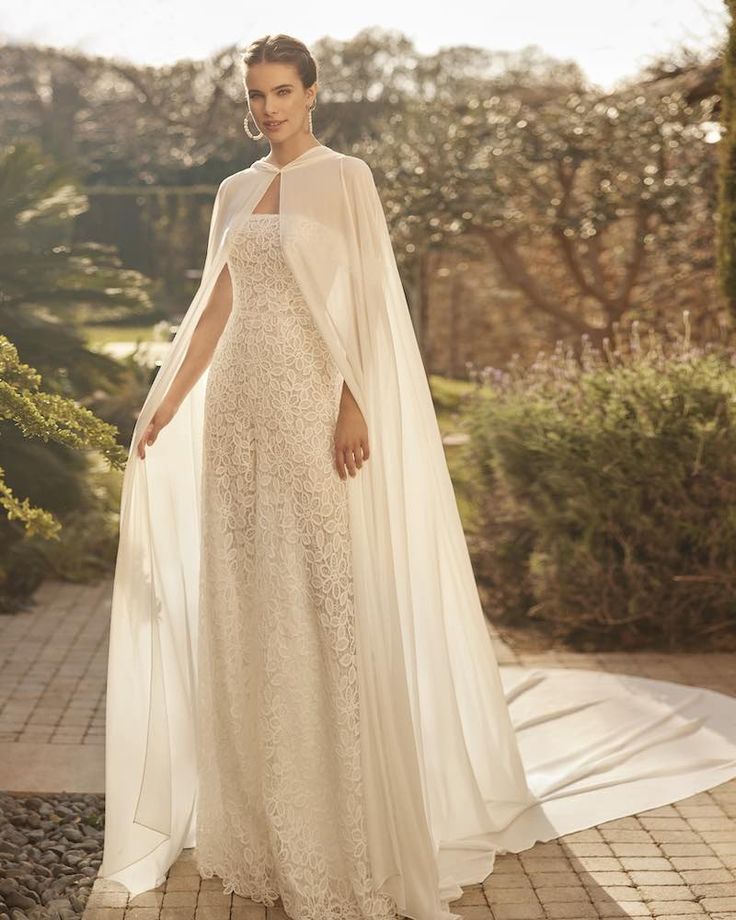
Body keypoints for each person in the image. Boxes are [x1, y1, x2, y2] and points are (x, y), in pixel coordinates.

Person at [99, 32, 736, 920]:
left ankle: (340, 825)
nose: (268, 108)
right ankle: (259, 826)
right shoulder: (232, 191)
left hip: (310, 407)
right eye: (256, 94)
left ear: (313, 93)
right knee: (247, 604)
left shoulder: (345, 178)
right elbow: (215, 311)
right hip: (239, 414)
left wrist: (355, 401)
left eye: (282, 91)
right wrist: (169, 403)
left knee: (323, 604)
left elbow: (370, 304)